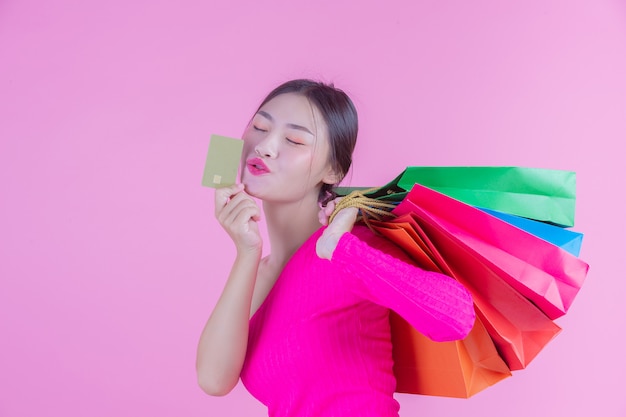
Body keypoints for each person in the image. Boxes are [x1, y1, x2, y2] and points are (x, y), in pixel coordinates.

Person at [196, 79, 475, 417]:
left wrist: (343, 249)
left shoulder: (348, 248)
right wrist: (247, 251)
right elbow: (214, 380)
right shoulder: (257, 270)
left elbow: (456, 319)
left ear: (333, 170)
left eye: (294, 139)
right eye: (259, 126)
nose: (265, 146)